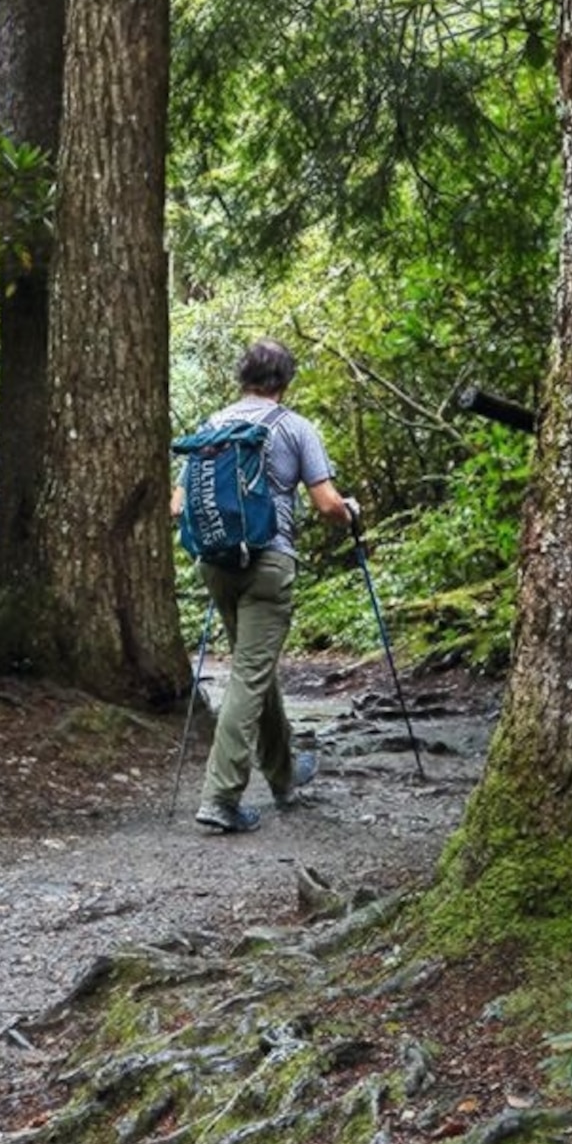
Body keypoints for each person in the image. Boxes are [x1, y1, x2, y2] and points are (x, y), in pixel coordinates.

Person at [169, 339, 359, 834]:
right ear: (286, 381)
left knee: (256, 668)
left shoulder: (212, 426)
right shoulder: (296, 428)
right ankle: (220, 797)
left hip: (215, 563)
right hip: (269, 562)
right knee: (250, 674)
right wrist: (351, 512)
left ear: (242, 377)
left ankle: (283, 772)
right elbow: (327, 504)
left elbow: (177, 503)